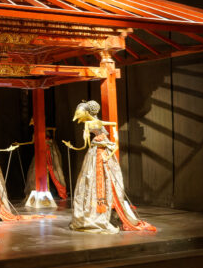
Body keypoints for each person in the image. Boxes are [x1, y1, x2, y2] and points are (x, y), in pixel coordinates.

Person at [63, 100, 156, 234]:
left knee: (107, 179)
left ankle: (108, 210)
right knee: (90, 180)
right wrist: (72, 147)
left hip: (103, 153)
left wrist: (111, 148)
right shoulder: (89, 124)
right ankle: (94, 213)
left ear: (87, 112)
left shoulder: (97, 123)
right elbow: (85, 145)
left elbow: (112, 128)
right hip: (94, 153)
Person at [17, 120, 68, 201]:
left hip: (49, 152)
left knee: (55, 171)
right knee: (34, 172)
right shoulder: (35, 133)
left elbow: (50, 136)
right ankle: (37, 192)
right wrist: (19, 144)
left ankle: (62, 192)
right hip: (40, 152)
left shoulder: (44, 130)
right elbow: (32, 142)